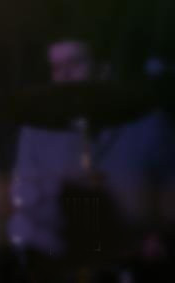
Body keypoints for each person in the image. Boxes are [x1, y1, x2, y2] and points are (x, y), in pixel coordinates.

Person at [9, 37, 175, 281]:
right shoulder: (35, 130)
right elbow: (25, 203)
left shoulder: (149, 124)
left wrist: (160, 237)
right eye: (56, 68)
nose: (64, 76)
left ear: (103, 69)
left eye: (74, 63)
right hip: (58, 264)